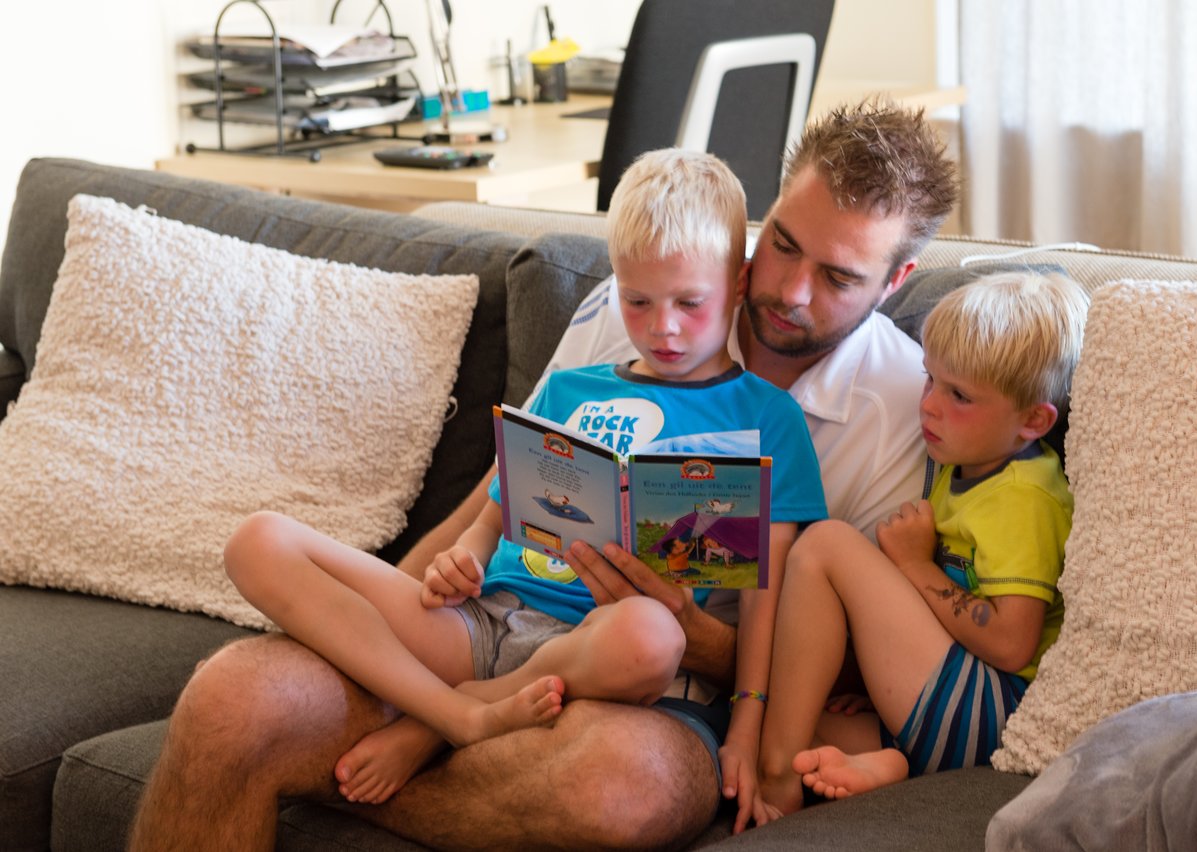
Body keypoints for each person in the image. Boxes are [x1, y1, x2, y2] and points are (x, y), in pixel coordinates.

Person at [129, 99, 959, 851]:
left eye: (839, 276)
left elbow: (850, 669)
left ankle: (379, 750)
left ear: (896, 284)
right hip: (490, 625)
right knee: (234, 701)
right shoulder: (628, 303)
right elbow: (505, 490)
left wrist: (698, 639)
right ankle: (428, 723)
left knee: (616, 784)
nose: (785, 290)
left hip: (655, 686)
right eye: (780, 244)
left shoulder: (906, 413)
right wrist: (409, 607)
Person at [756, 272, 1090, 818]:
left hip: (991, 711)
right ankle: (890, 760)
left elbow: (1011, 644)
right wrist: (886, 670)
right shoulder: (962, 462)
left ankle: (775, 778)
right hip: (952, 697)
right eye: (930, 379)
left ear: (1032, 420)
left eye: (958, 395)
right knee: (790, 701)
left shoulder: (1024, 497)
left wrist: (912, 563)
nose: (930, 406)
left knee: (825, 544)